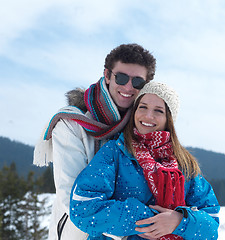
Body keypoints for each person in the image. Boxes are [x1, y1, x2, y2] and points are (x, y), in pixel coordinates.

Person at [33, 43, 157, 240]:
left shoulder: (143, 127)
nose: (128, 87)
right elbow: (71, 199)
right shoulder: (72, 123)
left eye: (137, 82)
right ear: (107, 75)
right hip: (79, 233)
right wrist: (139, 229)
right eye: (121, 77)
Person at [69, 82, 220, 240]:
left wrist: (179, 221)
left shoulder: (184, 164)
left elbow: (211, 225)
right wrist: (149, 220)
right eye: (142, 107)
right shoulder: (115, 152)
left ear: (169, 119)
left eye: (158, 111)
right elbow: (83, 208)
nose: (148, 116)